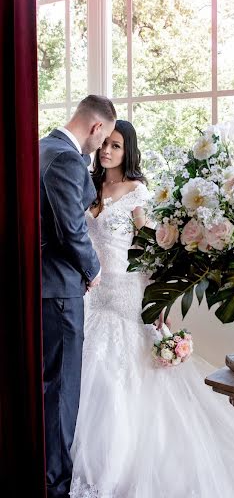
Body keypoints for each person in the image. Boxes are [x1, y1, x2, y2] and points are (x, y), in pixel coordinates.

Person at [70, 120, 234, 498]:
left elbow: (148, 252)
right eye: (105, 145)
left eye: (116, 145)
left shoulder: (137, 192)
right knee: (88, 368)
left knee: (119, 376)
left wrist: (156, 299)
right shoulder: (91, 185)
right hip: (93, 294)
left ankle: (116, 467)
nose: (107, 151)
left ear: (128, 151)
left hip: (127, 292)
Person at [40, 95, 117, 498]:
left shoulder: (39, 148)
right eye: (102, 137)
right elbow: (70, 228)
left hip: (37, 287)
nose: (101, 148)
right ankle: (54, 488)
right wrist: (93, 268)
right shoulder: (67, 159)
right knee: (61, 392)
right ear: (95, 127)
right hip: (59, 290)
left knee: (45, 388)